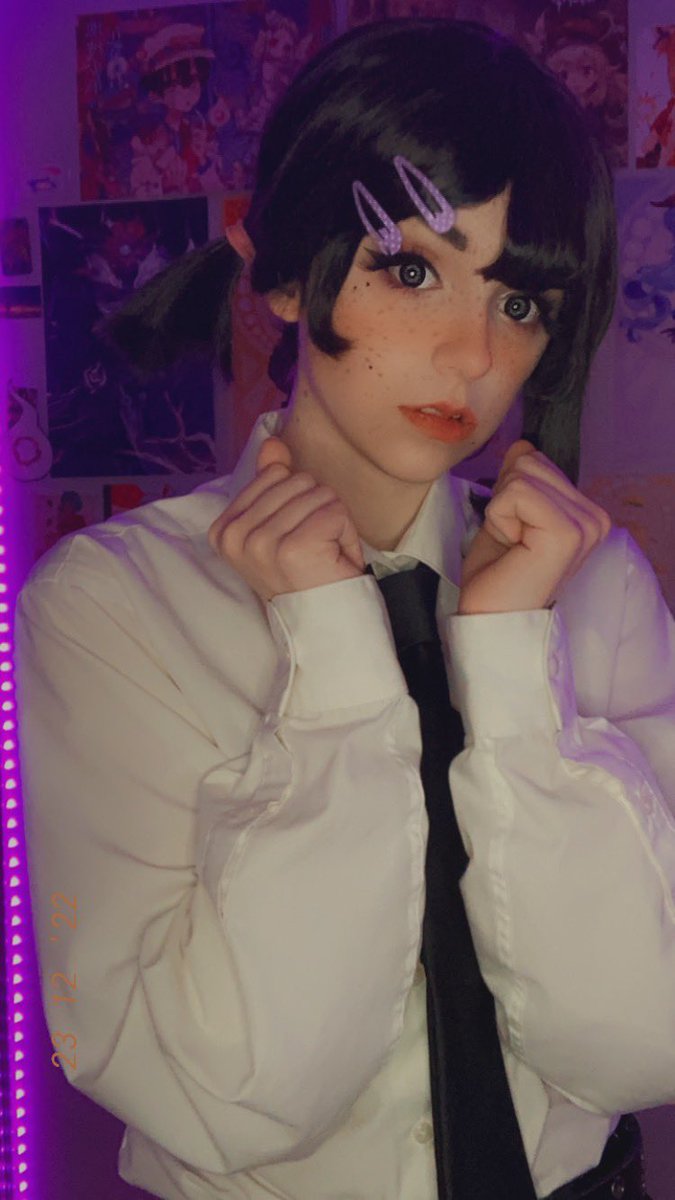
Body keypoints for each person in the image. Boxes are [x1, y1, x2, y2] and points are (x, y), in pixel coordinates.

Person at [15, 18, 675, 1200]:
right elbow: (230, 1098)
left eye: (522, 302)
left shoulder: (595, 582)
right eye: (412, 270)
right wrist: (335, 664)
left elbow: (644, 1043)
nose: (472, 356)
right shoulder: (111, 608)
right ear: (281, 275)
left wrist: (512, 669)